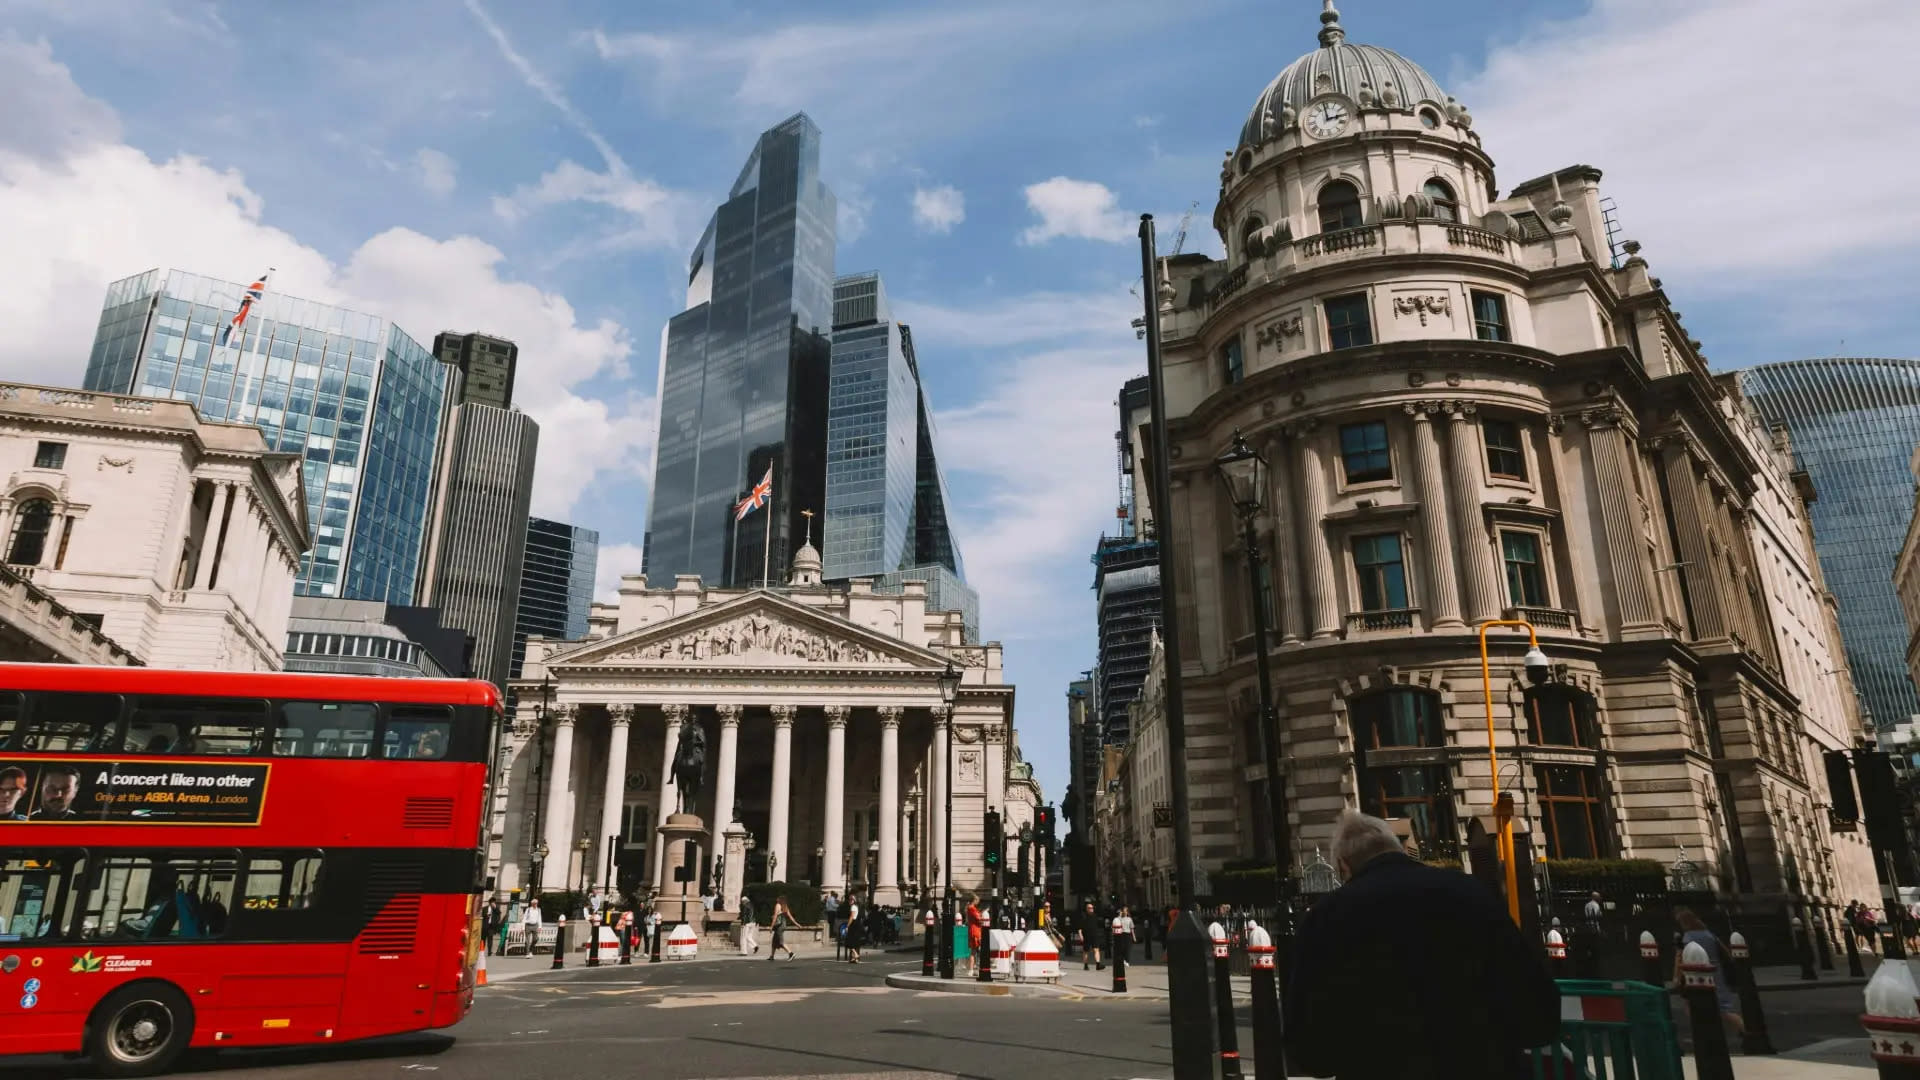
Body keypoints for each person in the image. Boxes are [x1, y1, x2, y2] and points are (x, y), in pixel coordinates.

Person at [1285, 811, 1559, 1080]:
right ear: (1400, 849)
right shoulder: (1470, 893)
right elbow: (1538, 1010)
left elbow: (1310, 1051)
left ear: (1344, 865)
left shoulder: (1326, 917)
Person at [1674, 908, 1745, 1036]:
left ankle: (1704, 1032)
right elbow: (1726, 952)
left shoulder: (1688, 937)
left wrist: (1677, 977)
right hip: (1717, 972)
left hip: (1695, 975)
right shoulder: (1709, 934)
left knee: (1694, 1004)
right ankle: (1740, 1029)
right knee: (1722, 1007)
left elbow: (1681, 958)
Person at [769, 893, 797, 961]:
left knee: (781, 942)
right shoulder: (785, 906)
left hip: (779, 926)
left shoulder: (778, 905)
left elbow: (775, 916)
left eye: (778, 898)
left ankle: (791, 953)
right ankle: (772, 956)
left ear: (780, 900)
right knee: (774, 941)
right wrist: (797, 924)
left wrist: (771, 926)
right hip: (783, 925)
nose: (776, 899)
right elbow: (790, 916)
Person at [1079, 900, 1104, 970]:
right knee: (1086, 951)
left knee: (1096, 949)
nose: (1091, 909)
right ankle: (1086, 965)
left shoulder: (1095, 916)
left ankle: (1098, 964)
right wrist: (1081, 935)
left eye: (1092, 908)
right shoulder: (1083, 916)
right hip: (1086, 936)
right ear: (1086, 909)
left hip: (1094, 935)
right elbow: (1079, 928)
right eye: (1089, 908)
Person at [1110, 905, 1135, 973]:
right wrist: (1119, 915)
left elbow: (1132, 928)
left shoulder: (1129, 919)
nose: (1124, 912)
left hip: (1128, 934)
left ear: (1127, 912)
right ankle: (1123, 960)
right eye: (1123, 911)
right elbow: (1115, 924)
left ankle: (1127, 960)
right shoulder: (1119, 919)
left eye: (1125, 911)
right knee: (1122, 948)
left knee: (1128, 948)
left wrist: (1134, 937)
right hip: (1121, 934)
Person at [845, 894, 865, 963]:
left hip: (853, 924)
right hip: (857, 924)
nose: (849, 901)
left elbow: (851, 917)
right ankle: (854, 958)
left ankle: (855, 954)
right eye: (849, 899)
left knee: (849, 941)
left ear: (854, 900)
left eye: (851, 899)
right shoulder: (857, 907)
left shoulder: (853, 907)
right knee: (855, 941)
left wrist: (847, 926)